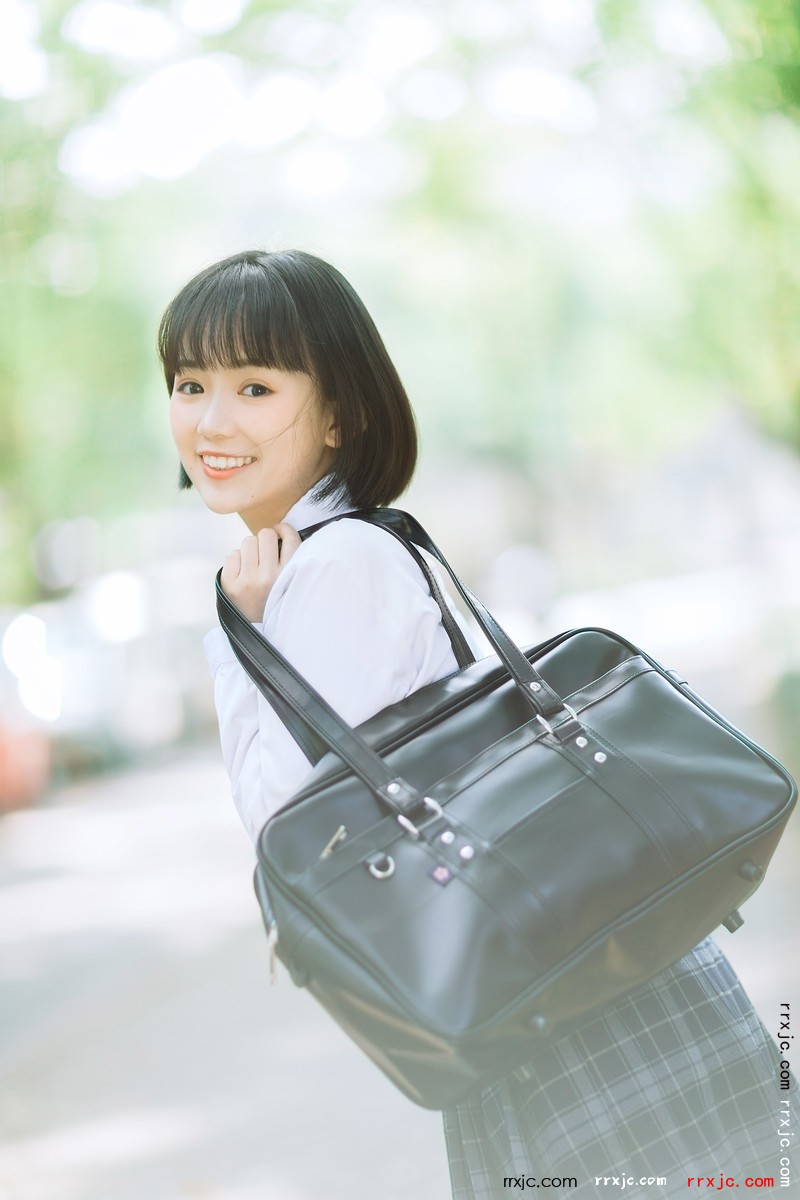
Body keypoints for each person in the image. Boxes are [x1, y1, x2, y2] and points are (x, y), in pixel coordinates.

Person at [160, 249, 793, 1199]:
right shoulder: (355, 549)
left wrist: (235, 640)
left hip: (577, 1049)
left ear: (341, 413)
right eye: (189, 383)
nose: (211, 420)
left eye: (254, 386)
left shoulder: (335, 570)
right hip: (582, 994)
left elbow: (294, 838)